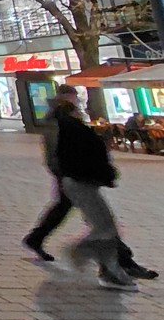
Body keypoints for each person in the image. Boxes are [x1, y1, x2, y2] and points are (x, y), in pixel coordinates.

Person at [23, 86, 156, 282]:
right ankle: (118, 262)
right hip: (73, 177)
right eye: (73, 97)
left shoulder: (63, 119)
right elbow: (57, 152)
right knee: (103, 225)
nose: (77, 101)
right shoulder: (59, 121)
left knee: (82, 217)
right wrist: (67, 174)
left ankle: (37, 239)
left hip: (75, 177)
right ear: (64, 97)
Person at [54, 88, 140, 290]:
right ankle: (79, 251)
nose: (81, 109)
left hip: (82, 181)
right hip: (80, 182)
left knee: (106, 227)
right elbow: (81, 156)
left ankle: (111, 271)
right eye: (77, 106)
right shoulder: (70, 129)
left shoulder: (70, 128)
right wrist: (102, 173)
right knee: (106, 229)